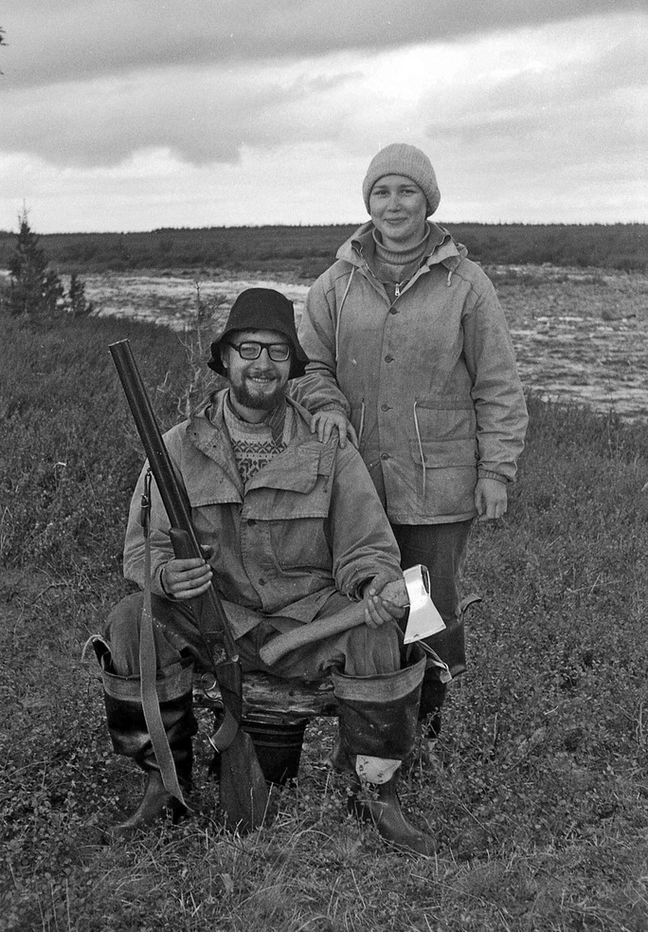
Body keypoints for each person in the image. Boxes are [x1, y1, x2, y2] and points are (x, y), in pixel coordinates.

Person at [91, 287, 436, 854]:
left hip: (305, 620)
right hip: (213, 617)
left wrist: (376, 585)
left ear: (293, 368)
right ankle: (162, 784)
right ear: (225, 358)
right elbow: (142, 548)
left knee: (380, 632)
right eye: (249, 349)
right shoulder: (176, 448)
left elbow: (367, 548)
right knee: (132, 619)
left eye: (278, 352)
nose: (262, 364)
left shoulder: (330, 449)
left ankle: (376, 793)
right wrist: (164, 577)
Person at [292, 143, 529, 741]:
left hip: (439, 485)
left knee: (425, 602)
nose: (393, 204)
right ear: (367, 202)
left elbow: (498, 383)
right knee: (364, 596)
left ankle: (425, 726)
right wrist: (326, 405)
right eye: (381, 192)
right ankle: (371, 722)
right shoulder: (335, 284)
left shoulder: (467, 286)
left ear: (428, 200)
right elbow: (310, 365)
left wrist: (496, 470)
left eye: (406, 191)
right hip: (356, 484)